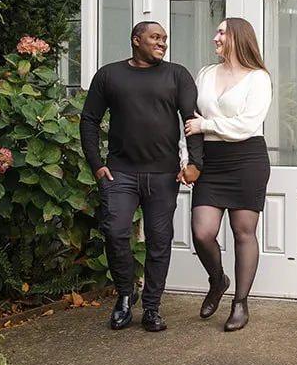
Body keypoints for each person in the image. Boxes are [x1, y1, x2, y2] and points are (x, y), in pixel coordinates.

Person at [80, 20, 204, 332]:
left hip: (163, 175)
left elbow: (192, 120)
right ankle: (125, 294)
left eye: (164, 39)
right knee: (116, 232)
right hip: (120, 173)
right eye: (155, 38)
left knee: (159, 241)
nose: (162, 43)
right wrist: (96, 163)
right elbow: (89, 120)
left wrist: (195, 164)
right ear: (136, 40)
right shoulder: (109, 75)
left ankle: (152, 307)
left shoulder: (177, 75)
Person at [183, 17, 273, 332]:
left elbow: (247, 124)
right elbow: (190, 122)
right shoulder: (206, 74)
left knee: (243, 232)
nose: (215, 37)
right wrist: (189, 160)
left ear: (237, 36)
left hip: (247, 159)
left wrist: (206, 125)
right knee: (202, 232)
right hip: (211, 160)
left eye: (221, 32)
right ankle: (218, 280)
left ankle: (240, 303)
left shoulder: (258, 78)